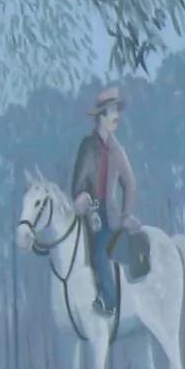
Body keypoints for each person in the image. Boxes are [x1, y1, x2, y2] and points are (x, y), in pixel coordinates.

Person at [69, 85, 140, 314]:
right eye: (112, 112)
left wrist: (126, 214)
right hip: (87, 211)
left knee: (100, 253)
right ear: (101, 117)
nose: (116, 116)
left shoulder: (117, 150)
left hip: (108, 215)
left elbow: (130, 183)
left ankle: (110, 302)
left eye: (117, 111)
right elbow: (78, 181)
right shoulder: (87, 146)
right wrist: (80, 196)